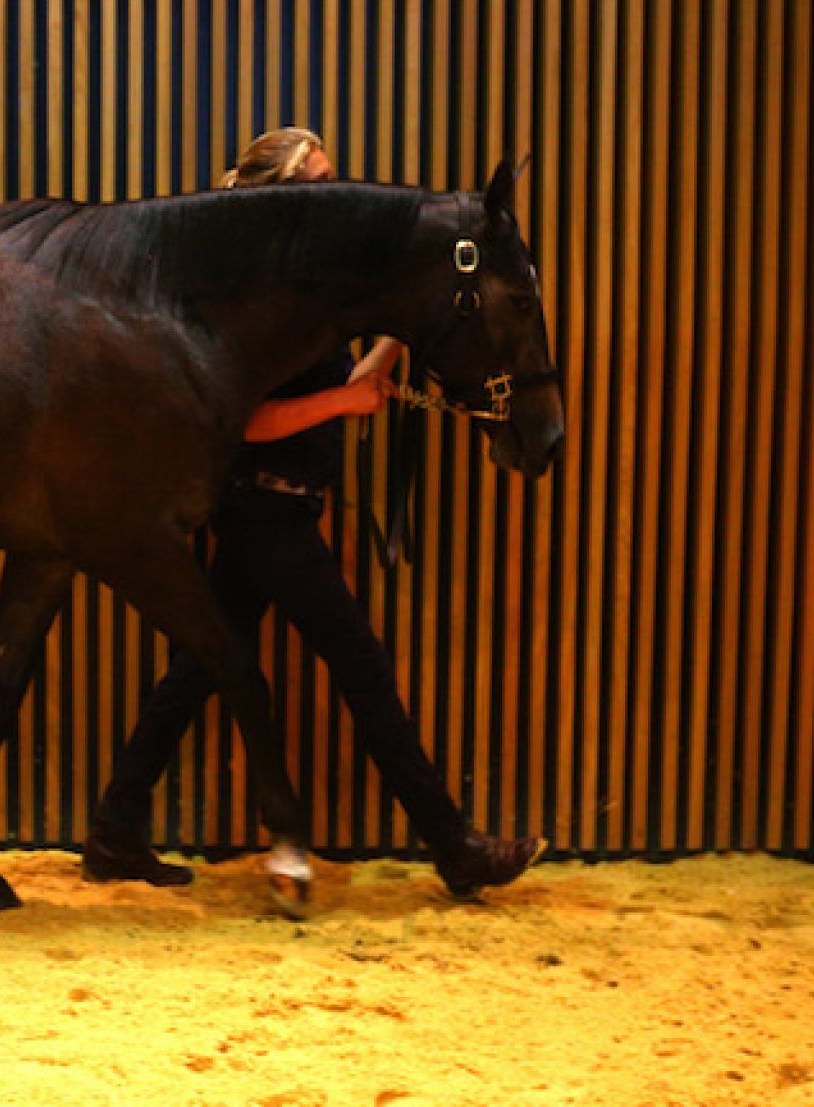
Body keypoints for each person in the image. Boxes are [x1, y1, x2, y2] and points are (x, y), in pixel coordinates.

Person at [81, 127, 543, 903]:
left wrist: (396, 339)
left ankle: (114, 825)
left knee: (197, 669)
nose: (333, 192)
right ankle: (453, 845)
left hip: (268, 513)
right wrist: (343, 399)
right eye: (318, 178)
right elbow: (248, 422)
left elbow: (351, 385)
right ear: (281, 190)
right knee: (364, 674)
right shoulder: (257, 300)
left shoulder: (298, 294)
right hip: (271, 513)